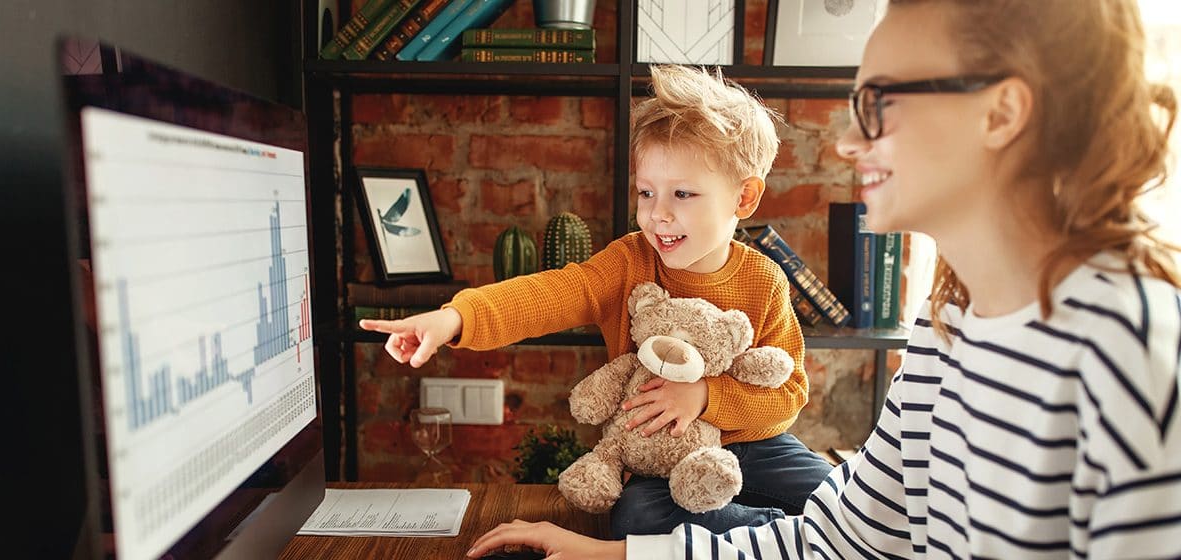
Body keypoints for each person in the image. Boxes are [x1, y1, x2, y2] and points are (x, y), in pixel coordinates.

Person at [464, 0, 1181, 558]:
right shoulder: (945, 331)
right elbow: (839, 540)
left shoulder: (1130, 350)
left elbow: (789, 411)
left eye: (880, 104)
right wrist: (615, 554)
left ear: (1002, 111)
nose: (847, 142)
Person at [360, 64, 832, 538]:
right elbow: (546, 295)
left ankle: (779, 537)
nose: (657, 213)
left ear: (744, 197)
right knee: (637, 518)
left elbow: (788, 393)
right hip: (660, 454)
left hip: (759, 447)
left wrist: (706, 396)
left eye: (683, 194)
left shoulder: (764, 279)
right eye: (646, 192)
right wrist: (454, 319)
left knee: (836, 494)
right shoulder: (629, 262)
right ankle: (781, 539)